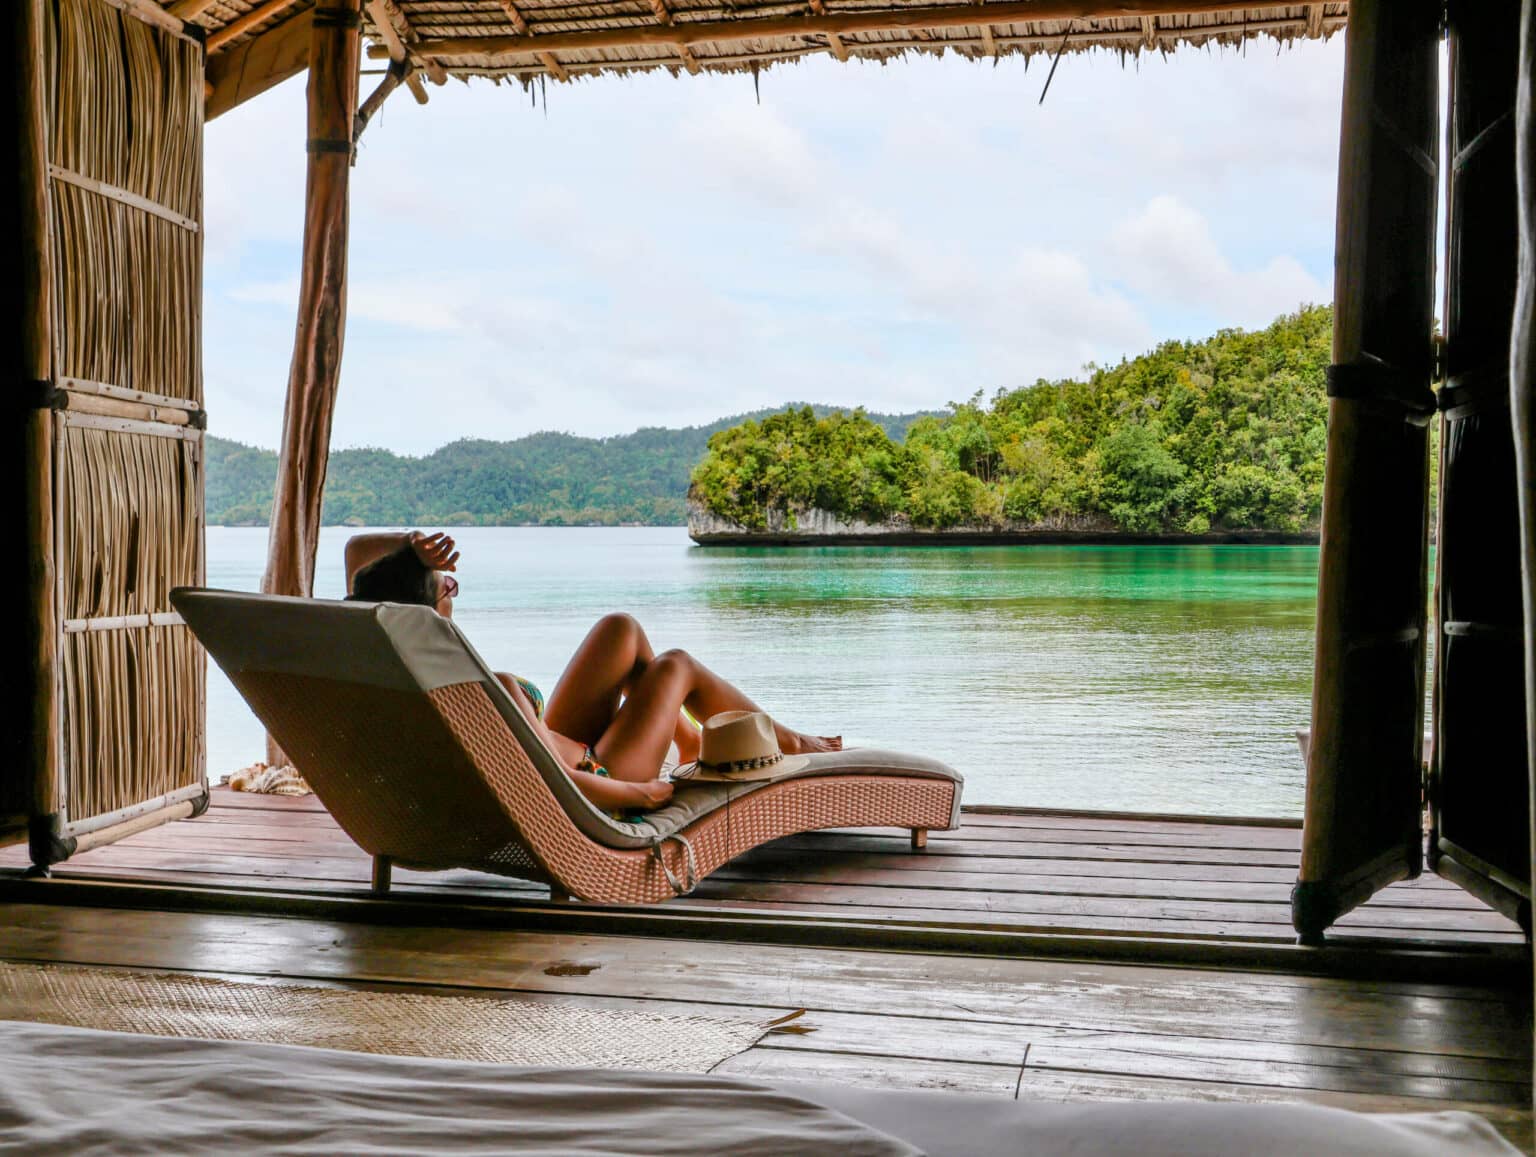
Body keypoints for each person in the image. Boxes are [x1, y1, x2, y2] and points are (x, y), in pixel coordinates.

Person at [344, 531, 841, 818]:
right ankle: (787, 741)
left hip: (565, 749)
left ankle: (690, 742)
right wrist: (637, 793)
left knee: (619, 630)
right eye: (446, 586)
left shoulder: (393, 669)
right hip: (596, 779)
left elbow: (362, 569)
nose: (454, 590)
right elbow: (542, 781)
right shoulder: (476, 691)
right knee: (676, 664)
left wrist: (413, 554)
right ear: (424, 612)